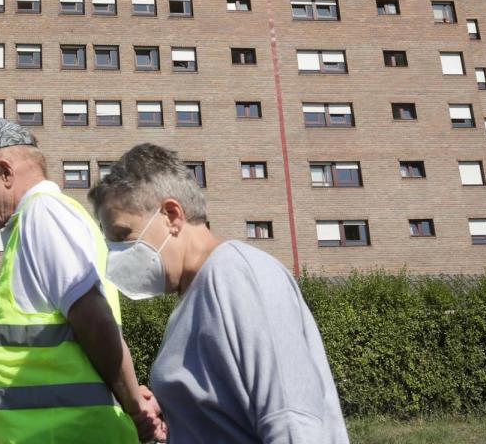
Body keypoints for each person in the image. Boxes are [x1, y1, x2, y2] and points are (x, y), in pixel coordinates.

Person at [88, 143, 350, 444]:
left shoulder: (237, 276)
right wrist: (178, 411)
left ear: (172, 215)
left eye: (123, 235)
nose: (117, 253)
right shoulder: (192, 298)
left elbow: (293, 423)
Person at [0, 118, 163, 443]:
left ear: (5, 172)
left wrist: (136, 407)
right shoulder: (39, 220)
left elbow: (94, 320)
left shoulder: (44, 216)